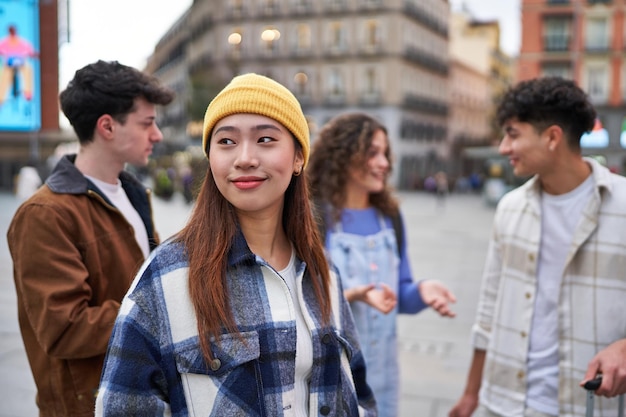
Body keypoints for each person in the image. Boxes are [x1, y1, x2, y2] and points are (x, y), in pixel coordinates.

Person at [95, 73, 377, 416]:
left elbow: (358, 393)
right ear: (211, 157)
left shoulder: (322, 273)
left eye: (266, 139)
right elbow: (121, 407)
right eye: (226, 142)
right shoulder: (166, 277)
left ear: (299, 158)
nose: (244, 157)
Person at [449, 76, 626, 417]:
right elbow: (488, 311)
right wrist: (472, 394)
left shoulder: (622, 205)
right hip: (505, 404)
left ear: (552, 137)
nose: (503, 147)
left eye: (513, 134)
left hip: (589, 406)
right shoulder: (510, 207)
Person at [6, 60, 174, 416]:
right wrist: (167, 309)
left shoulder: (132, 193)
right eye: (147, 123)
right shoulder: (45, 214)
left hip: (140, 395)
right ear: (107, 127)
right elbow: (64, 328)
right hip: (86, 406)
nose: (156, 135)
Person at [306, 112, 457, 417]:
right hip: (331, 376)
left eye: (385, 153)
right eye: (373, 152)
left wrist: (423, 291)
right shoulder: (314, 216)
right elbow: (302, 301)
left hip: (383, 378)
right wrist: (353, 295)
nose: (385, 163)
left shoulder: (390, 217)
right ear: (344, 154)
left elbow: (399, 295)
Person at [0, 24, 38, 104]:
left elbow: (31, 52)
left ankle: (28, 93)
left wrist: (34, 55)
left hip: (21, 64)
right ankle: (1, 98)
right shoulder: (4, 42)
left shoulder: (22, 42)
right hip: (9, 65)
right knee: (4, 75)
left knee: (28, 70)